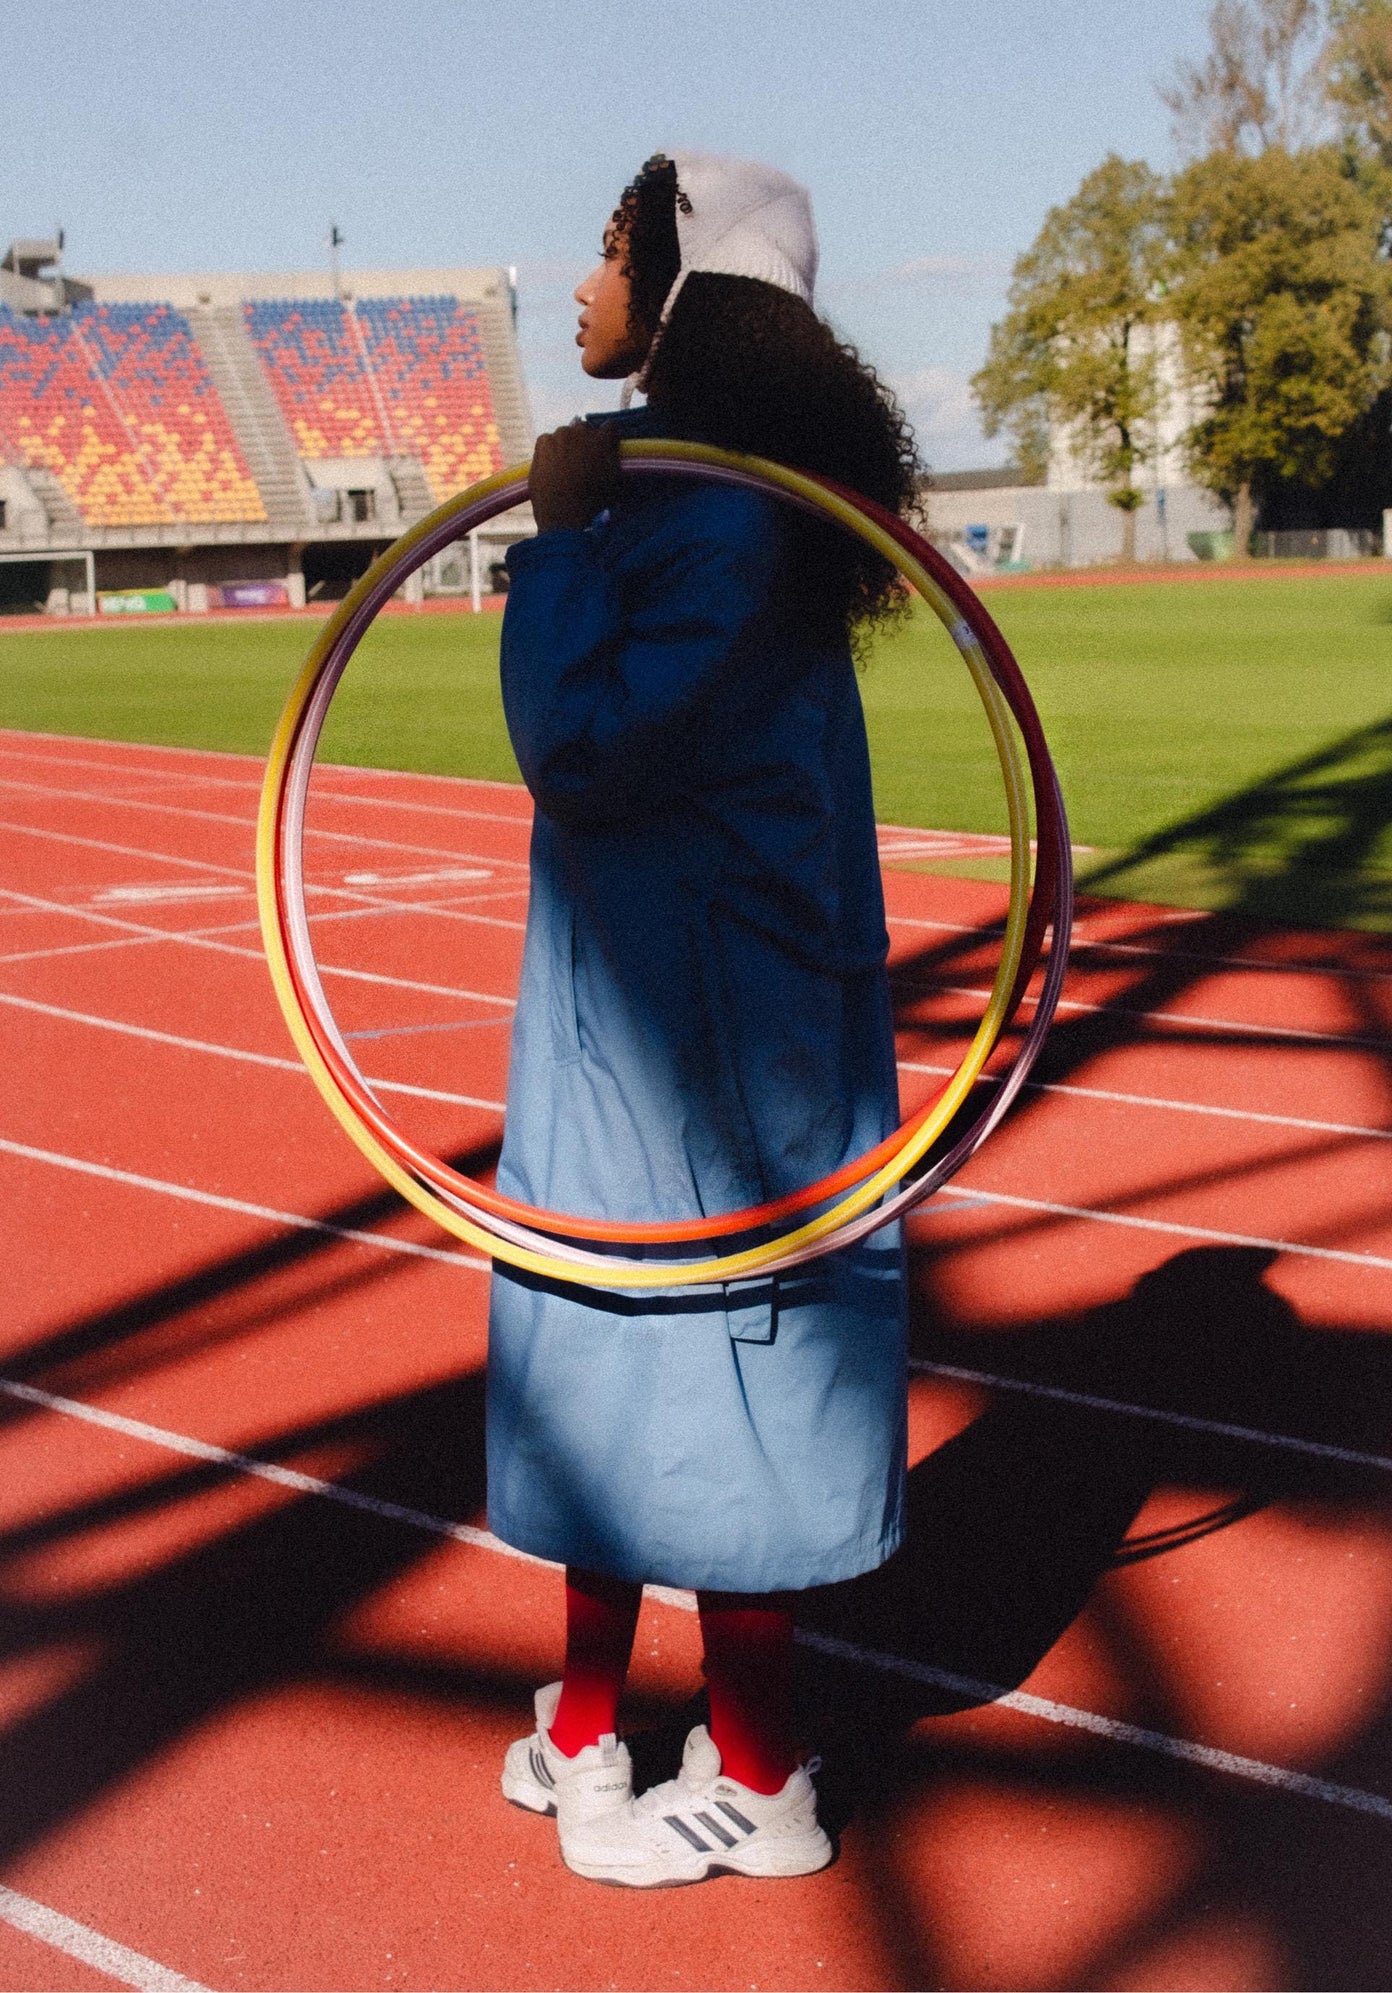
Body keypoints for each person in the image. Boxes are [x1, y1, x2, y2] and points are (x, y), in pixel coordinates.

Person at [489, 152, 918, 1885]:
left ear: (681, 297)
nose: (576, 287)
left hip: (713, 1031)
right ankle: (591, 1721)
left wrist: (565, 540)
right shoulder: (711, 508)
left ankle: (761, 1771)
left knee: (716, 1347)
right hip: (646, 1007)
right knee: (605, 1332)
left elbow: (588, 749)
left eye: (606, 255)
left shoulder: (718, 523)